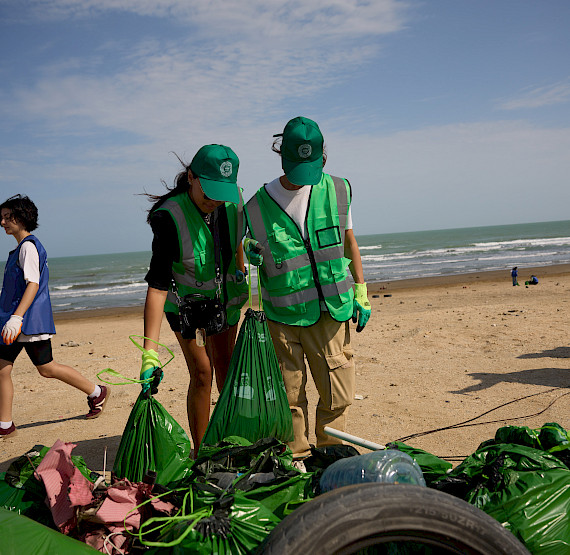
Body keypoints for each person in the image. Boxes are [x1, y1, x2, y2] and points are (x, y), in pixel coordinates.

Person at [244, 116, 371, 462]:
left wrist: (361, 288)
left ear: (322, 158)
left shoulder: (338, 189)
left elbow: (349, 243)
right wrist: (247, 252)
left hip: (331, 310)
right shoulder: (255, 207)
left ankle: (330, 453)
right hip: (283, 318)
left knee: (337, 390)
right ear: (281, 156)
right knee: (289, 394)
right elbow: (244, 260)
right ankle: (297, 457)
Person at [142, 145, 248, 456]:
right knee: (202, 372)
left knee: (226, 368)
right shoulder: (168, 217)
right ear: (191, 177)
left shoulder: (234, 200)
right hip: (187, 307)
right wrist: (150, 352)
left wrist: (245, 257)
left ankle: (229, 438)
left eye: (221, 192)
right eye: (209, 190)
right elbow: (158, 286)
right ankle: (201, 452)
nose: (215, 199)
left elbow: (240, 238)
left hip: (225, 301)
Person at [0, 195, 109, 439]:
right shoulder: (23, 247)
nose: (3, 222)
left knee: (43, 368)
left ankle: (96, 392)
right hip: (18, 321)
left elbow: (33, 284)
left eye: (8, 217)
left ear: (22, 217)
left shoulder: (28, 247)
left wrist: (16, 318)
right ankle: (5, 424)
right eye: (3, 217)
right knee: (16, 368)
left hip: (26, 322)